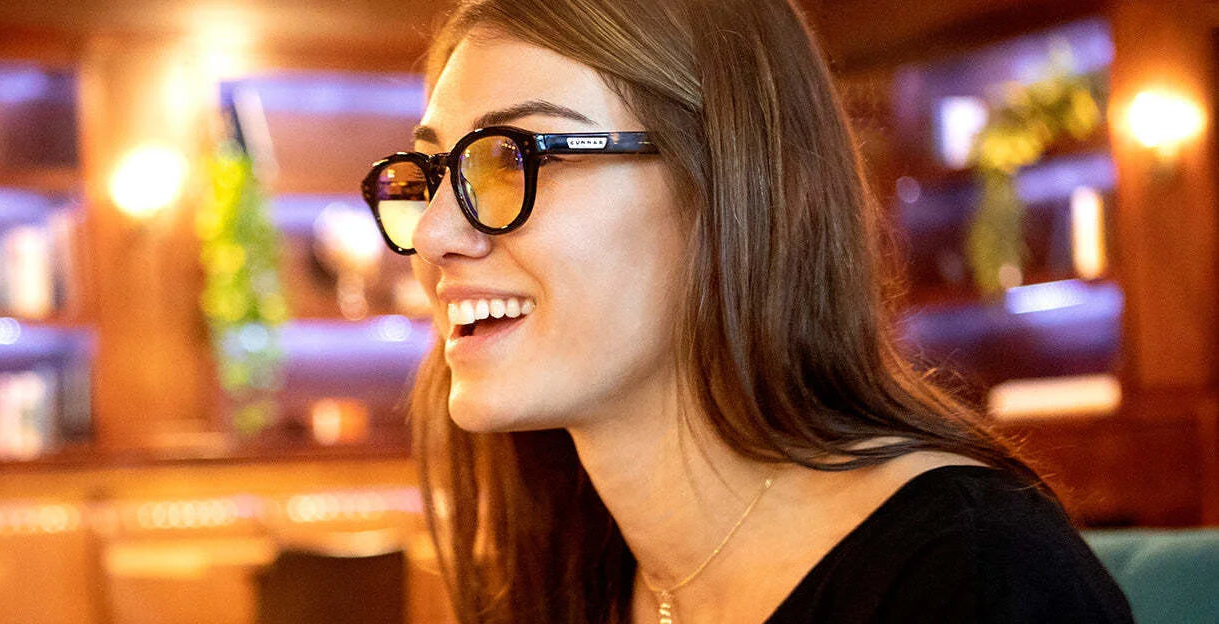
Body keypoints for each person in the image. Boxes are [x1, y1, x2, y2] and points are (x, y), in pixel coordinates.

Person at [358, 0, 1134, 622]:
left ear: (727, 187)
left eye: (513, 157)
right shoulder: (564, 564)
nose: (432, 232)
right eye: (432, 172)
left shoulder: (972, 576)